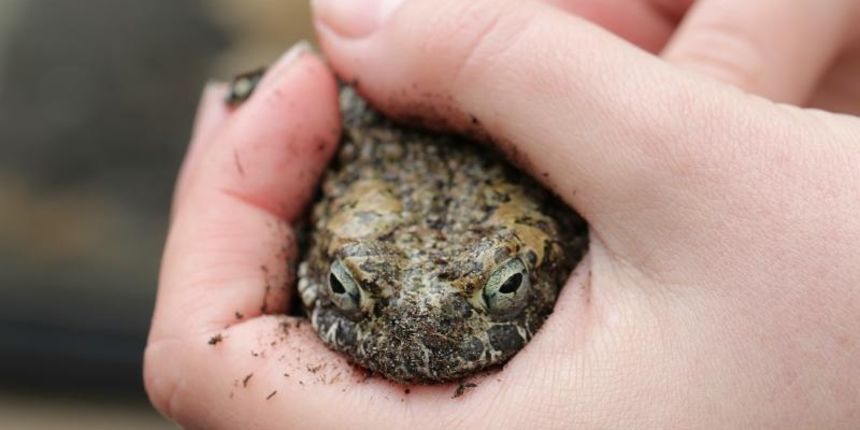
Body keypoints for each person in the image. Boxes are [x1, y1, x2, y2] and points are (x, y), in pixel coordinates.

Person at [144, 0, 860, 428]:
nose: (424, 327)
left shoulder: (584, 187)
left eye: (505, 289)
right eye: (351, 293)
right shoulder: (343, 134)